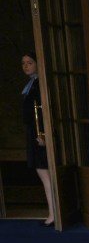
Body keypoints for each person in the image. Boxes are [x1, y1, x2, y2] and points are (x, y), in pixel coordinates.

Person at [20, 52, 54, 227]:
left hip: (40, 133)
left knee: (45, 173)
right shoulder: (32, 84)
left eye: (30, 62)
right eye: (24, 63)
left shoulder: (40, 84)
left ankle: (53, 214)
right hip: (34, 132)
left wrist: (44, 135)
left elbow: (43, 111)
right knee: (43, 173)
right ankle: (53, 212)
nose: (26, 66)